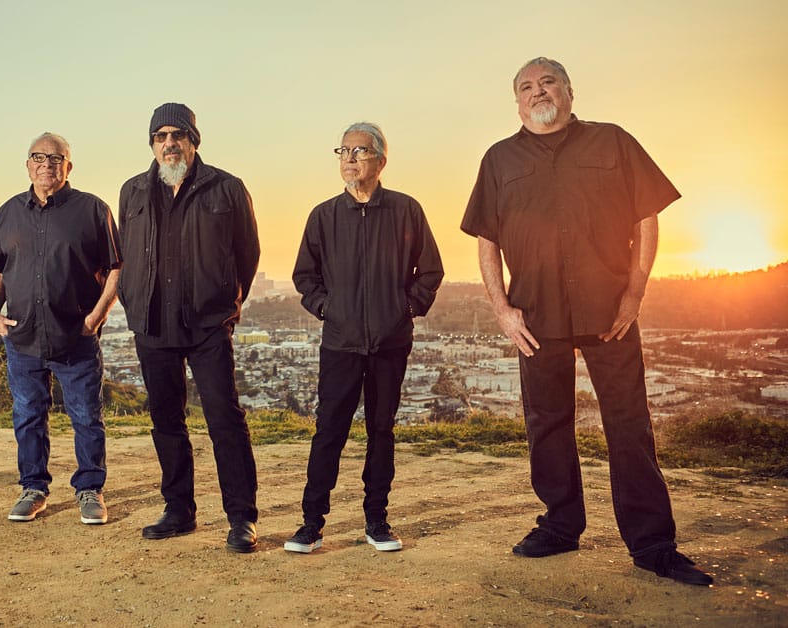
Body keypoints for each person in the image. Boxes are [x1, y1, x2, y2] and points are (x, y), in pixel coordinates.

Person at [460, 57, 713, 585]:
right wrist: (502, 310)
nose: (537, 92)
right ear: (517, 102)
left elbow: (647, 216)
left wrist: (635, 292)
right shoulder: (499, 159)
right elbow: (487, 238)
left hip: (609, 311)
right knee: (546, 423)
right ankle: (559, 526)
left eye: (547, 81)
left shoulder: (613, 142)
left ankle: (653, 545)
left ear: (570, 91)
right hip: (535, 314)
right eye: (525, 87)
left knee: (629, 424)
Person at [285, 122, 444, 554]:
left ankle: (377, 521)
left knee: (381, 430)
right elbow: (305, 276)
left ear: (381, 161)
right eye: (344, 151)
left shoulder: (406, 210)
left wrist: (406, 309)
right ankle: (311, 524)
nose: (350, 159)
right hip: (340, 343)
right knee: (328, 432)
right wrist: (327, 308)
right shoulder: (323, 216)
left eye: (360, 151)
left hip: (391, 344)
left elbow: (430, 271)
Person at [117, 103, 261, 552]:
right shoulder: (133, 191)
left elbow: (247, 254)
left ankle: (241, 519)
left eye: (178, 134)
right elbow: (124, 255)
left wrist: (227, 305)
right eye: (160, 136)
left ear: (194, 141)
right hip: (153, 325)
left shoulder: (228, 188)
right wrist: (133, 303)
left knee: (224, 419)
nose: (169, 143)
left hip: (205, 324)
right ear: (152, 144)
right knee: (166, 420)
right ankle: (178, 510)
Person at [0, 132, 121, 525]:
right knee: (27, 415)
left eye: (56, 158)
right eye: (38, 157)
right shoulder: (8, 211)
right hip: (22, 338)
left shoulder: (93, 210)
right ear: (27, 164)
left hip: (75, 337)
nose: (47, 164)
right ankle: (34, 488)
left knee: (86, 416)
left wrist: (96, 316)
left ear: (68, 166)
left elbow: (116, 267)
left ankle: (90, 490)